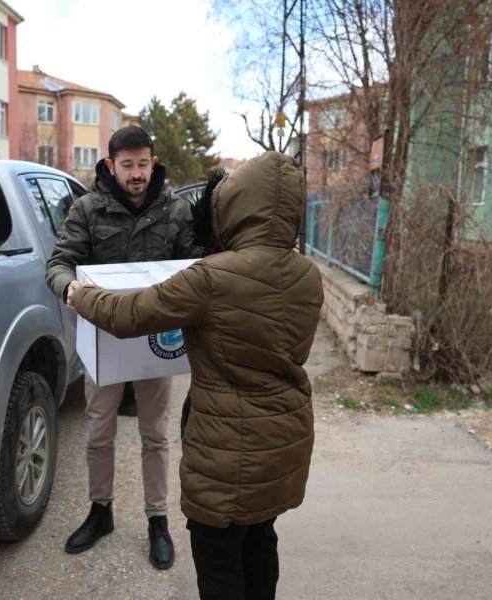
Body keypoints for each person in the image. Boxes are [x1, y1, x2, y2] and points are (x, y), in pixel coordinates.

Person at [68, 151, 324, 599]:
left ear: (238, 207)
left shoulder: (210, 277)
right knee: (260, 537)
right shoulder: (307, 274)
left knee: (219, 556)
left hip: (224, 448)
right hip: (284, 440)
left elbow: (129, 314)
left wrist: (81, 295)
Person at [45, 125, 197, 569]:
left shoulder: (175, 210)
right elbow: (59, 262)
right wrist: (68, 287)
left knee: (156, 433)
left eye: (143, 164)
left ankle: (158, 520)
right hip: (103, 337)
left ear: (153, 162)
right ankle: (101, 511)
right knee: (98, 430)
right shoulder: (88, 209)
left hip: (156, 339)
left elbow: (196, 266)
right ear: (111, 165)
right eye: (127, 165)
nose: (136, 174)